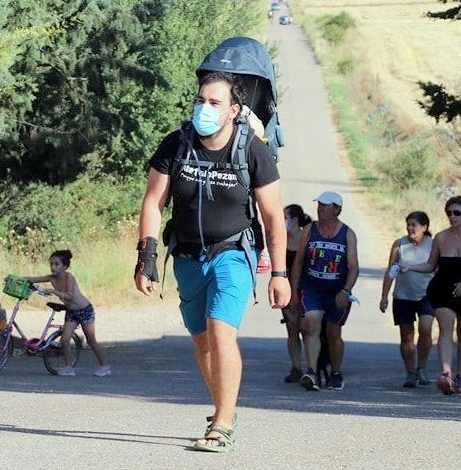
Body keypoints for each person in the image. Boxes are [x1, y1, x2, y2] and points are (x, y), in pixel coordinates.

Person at [134, 70, 290, 453]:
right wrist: (147, 256)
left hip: (233, 253)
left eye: (214, 102)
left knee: (221, 332)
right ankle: (224, 408)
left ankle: (221, 424)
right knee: (201, 341)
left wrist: (280, 273)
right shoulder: (176, 145)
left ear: (234, 110)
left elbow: (273, 217)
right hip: (187, 256)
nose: (204, 108)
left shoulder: (252, 150)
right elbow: (154, 201)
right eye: (200, 100)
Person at [399, 196, 461, 395]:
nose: (452, 217)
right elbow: (431, 264)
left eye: (457, 213)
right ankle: (446, 373)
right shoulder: (440, 237)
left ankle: (460, 375)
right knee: (445, 327)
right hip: (444, 286)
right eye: (449, 213)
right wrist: (410, 267)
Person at [291, 191, 359, 391]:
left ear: (337, 210)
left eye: (325, 205)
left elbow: (354, 267)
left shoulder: (347, 234)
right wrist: (294, 291)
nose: (320, 209)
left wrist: (346, 290)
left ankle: (336, 372)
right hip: (312, 288)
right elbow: (299, 261)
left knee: (333, 332)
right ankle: (312, 371)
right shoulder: (309, 230)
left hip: (337, 290)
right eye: (319, 205)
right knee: (310, 324)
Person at [25, 249, 111, 377]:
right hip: (71, 312)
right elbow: (33, 279)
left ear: (64, 266)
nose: (53, 267)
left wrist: (53, 292)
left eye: (56, 264)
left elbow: (69, 296)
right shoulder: (51, 278)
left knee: (91, 340)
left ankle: (105, 366)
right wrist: (17, 279)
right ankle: (69, 367)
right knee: (64, 340)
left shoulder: (68, 277)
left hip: (85, 310)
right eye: (51, 264)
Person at [379, 211, 434, 388]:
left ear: (424, 227)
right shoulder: (399, 244)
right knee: (407, 336)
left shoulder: (433, 245)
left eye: (414, 225)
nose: (411, 228)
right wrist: (384, 296)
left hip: (427, 295)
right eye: (408, 225)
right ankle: (411, 372)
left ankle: (422, 368)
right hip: (403, 296)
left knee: (425, 328)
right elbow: (390, 271)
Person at [282, 204, 312, 383]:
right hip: (286, 289)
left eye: (285, 217)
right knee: (292, 330)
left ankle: (312, 366)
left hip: (307, 289)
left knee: (308, 329)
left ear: (293, 219)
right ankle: (296, 368)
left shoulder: (305, 238)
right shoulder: (282, 239)